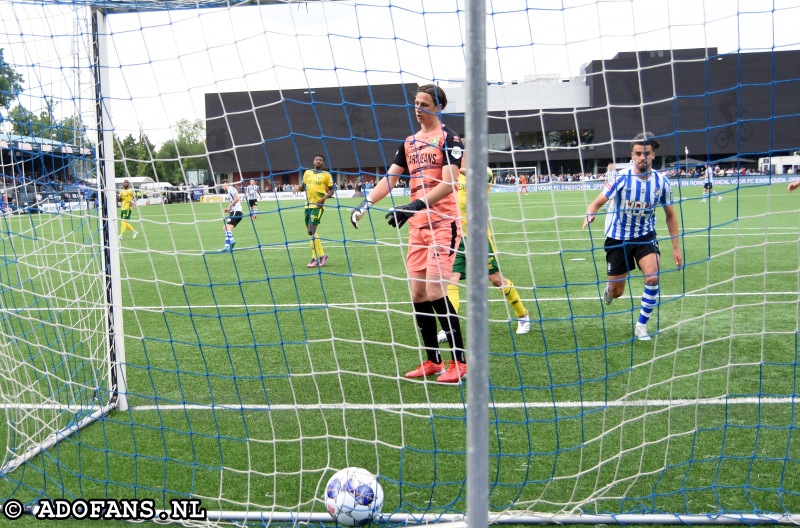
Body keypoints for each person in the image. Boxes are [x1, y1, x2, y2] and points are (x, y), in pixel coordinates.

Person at [350, 84, 467, 384]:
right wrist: (366, 203)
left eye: (425, 104)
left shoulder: (449, 139)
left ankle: (459, 362)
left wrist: (413, 204)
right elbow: (390, 177)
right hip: (418, 227)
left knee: (435, 291)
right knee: (417, 294)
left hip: (443, 223)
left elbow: (449, 183)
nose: (418, 108)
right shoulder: (409, 142)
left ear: (438, 107)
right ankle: (432, 360)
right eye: (416, 103)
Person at [582, 132, 682, 341]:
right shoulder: (621, 178)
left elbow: (670, 216)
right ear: (632, 155)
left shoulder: (662, 183)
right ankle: (609, 291)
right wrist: (590, 213)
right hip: (617, 238)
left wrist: (675, 247)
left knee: (653, 276)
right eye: (638, 153)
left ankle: (641, 326)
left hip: (645, 236)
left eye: (646, 153)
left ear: (653, 155)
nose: (642, 157)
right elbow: (597, 202)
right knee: (617, 292)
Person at [436, 135, 530, 344]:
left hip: (479, 238)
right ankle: (449, 328)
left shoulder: (483, 172)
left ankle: (523, 315)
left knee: (496, 280)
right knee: (451, 280)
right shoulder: (450, 175)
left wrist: (455, 165)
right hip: (457, 238)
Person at [302, 154, 335, 268]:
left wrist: (323, 199)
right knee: (311, 233)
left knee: (311, 231)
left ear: (323, 163)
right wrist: (297, 187)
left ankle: (314, 258)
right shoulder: (307, 173)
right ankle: (322, 255)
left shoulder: (326, 175)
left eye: (320, 160)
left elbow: (332, 190)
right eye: (316, 159)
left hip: (318, 206)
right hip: (307, 206)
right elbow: (303, 186)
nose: (318, 161)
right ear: (313, 162)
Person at [221, 179, 242, 251]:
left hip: (236, 212)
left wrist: (229, 207)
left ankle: (231, 241)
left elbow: (237, 198)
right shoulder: (229, 191)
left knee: (227, 228)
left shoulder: (231, 189)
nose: (222, 187)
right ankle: (227, 246)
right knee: (225, 228)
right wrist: (228, 209)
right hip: (235, 212)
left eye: (222, 185)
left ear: (226, 184)